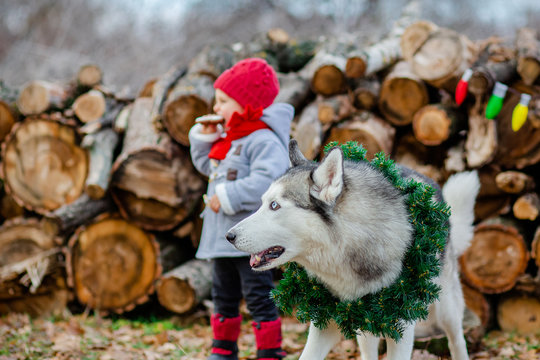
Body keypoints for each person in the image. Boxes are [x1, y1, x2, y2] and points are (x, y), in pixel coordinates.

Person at [188, 57, 294, 360]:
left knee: (258, 295)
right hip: (222, 238)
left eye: (223, 101)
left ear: (246, 104)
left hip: (251, 240)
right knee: (223, 296)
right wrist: (205, 137)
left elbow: (269, 181)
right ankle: (223, 350)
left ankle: (270, 351)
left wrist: (229, 194)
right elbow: (207, 167)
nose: (217, 107)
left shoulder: (262, 140)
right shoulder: (231, 138)